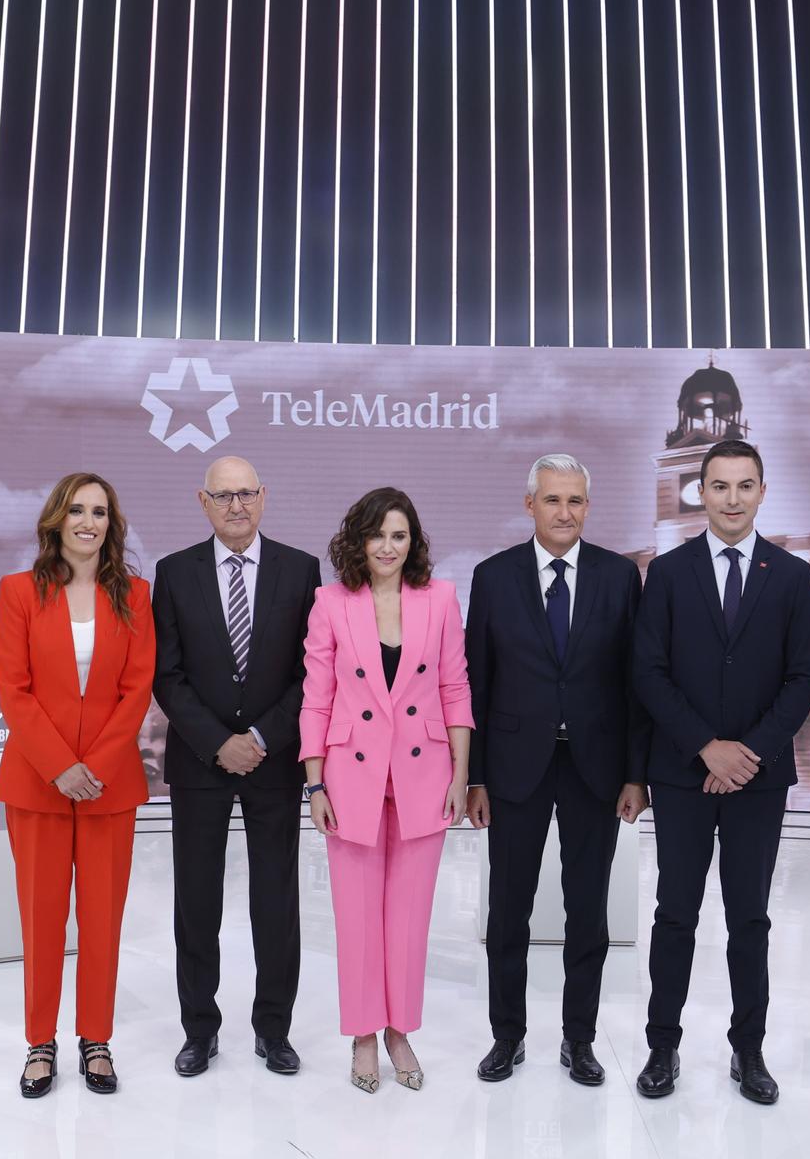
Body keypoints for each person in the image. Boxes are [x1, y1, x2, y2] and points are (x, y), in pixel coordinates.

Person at [631, 437, 810, 1103]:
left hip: (758, 780)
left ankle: (749, 1050)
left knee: (751, 919)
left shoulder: (791, 576)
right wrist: (704, 747)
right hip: (684, 774)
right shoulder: (669, 570)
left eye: (745, 486)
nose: (733, 498)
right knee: (674, 914)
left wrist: (748, 753)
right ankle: (662, 1047)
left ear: (763, 491)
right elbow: (648, 671)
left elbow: (805, 677)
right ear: (702, 492)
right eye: (720, 486)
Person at [464, 454, 649, 1086]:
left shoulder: (621, 577)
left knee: (587, 912)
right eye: (552, 500)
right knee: (508, 911)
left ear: (588, 507)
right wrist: (476, 777)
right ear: (530, 504)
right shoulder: (493, 578)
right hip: (515, 768)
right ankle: (507, 1036)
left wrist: (635, 774)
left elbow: (634, 683)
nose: (564, 512)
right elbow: (477, 685)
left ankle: (580, 1039)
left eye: (575, 501)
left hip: (595, 769)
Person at [152, 456, 322, 1077]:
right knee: (197, 901)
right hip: (200, 762)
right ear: (203, 502)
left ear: (264, 496)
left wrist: (260, 737)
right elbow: (166, 675)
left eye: (246, 493)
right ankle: (199, 1029)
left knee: (275, 901)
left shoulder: (301, 570)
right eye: (222, 496)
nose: (236, 506)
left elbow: (312, 672)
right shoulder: (173, 573)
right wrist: (218, 742)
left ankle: (273, 1029)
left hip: (272, 762)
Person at [299, 488, 472, 1094]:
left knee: (409, 917)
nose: (388, 546)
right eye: (377, 535)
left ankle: (401, 1030)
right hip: (351, 778)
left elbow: (456, 690)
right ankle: (364, 1035)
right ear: (358, 541)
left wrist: (461, 773)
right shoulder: (330, 603)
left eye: (399, 535)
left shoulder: (442, 599)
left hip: (424, 777)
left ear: (413, 542)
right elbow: (316, 698)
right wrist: (314, 780)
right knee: (357, 916)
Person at [0, 473, 156, 1098]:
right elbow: (15, 688)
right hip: (38, 784)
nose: (89, 522)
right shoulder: (18, 592)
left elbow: (137, 689)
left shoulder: (134, 596)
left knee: (102, 919)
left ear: (111, 525)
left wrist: (101, 764)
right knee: (41, 919)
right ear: (57, 518)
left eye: (101, 512)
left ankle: (96, 1039)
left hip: (109, 787)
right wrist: (60, 764)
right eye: (78, 510)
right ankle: (39, 1042)